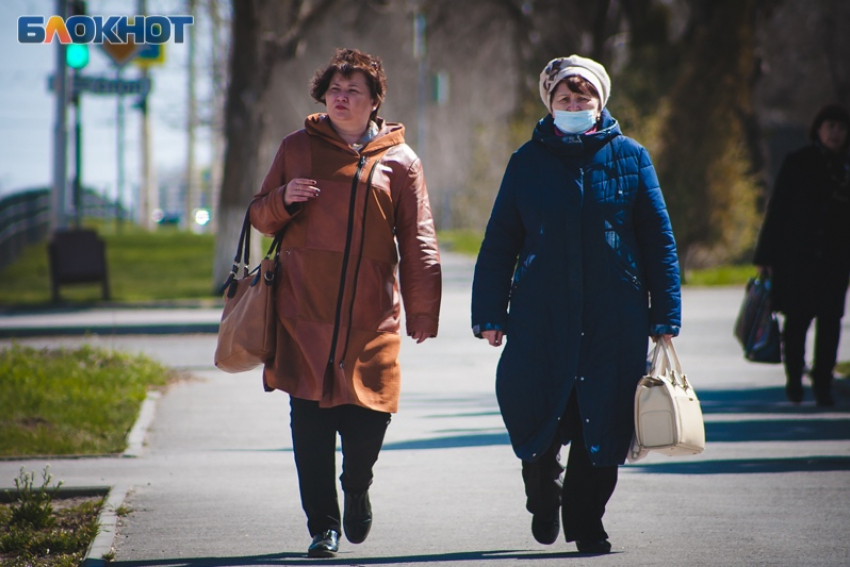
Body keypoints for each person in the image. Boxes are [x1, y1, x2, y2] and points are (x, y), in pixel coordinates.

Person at [471, 54, 681, 554]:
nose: (574, 103)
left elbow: (659, 241)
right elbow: (501, 240)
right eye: (564, 97)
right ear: (550, 104)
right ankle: (543, 492)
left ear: (600, 101)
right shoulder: (526, 161)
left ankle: (586, 521)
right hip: (540, 314)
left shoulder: (632, 157)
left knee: (606, 419)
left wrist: (664, 316)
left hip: (615, 316)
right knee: (536, 410)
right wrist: (489, 314)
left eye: (583, 95)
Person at [249, 48, 442, 558]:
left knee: (369, 418)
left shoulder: (401, 161)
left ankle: (357, 485)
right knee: (308, 422)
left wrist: (424, 309)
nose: (341, 96)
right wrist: (283, 197)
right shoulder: (297, 147)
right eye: (335, 88)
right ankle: (322, 526)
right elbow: (260, 216)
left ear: (375, 100)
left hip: (370, 317)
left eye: (353, 89)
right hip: (301, 311)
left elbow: (419, 239)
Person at [754, 103, 850, 407]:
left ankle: (823, 383)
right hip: (797, 260)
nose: (835, 133)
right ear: (818, 130)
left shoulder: (846, 167)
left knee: (831, 322)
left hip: (835, 261)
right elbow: (778, 209)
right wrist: (766, 256)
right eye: (830, 127)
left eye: (841, 128)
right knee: (796, 323)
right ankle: (794, 378)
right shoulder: (799, 162)